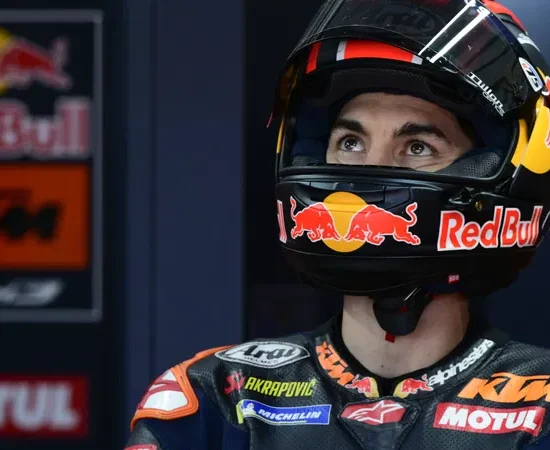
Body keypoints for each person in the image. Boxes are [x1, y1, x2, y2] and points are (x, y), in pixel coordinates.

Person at [125, 0, 550, 448]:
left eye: (418, 147)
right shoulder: (218, 398)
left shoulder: (539, 408)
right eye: (350, 142)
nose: (370, 169)